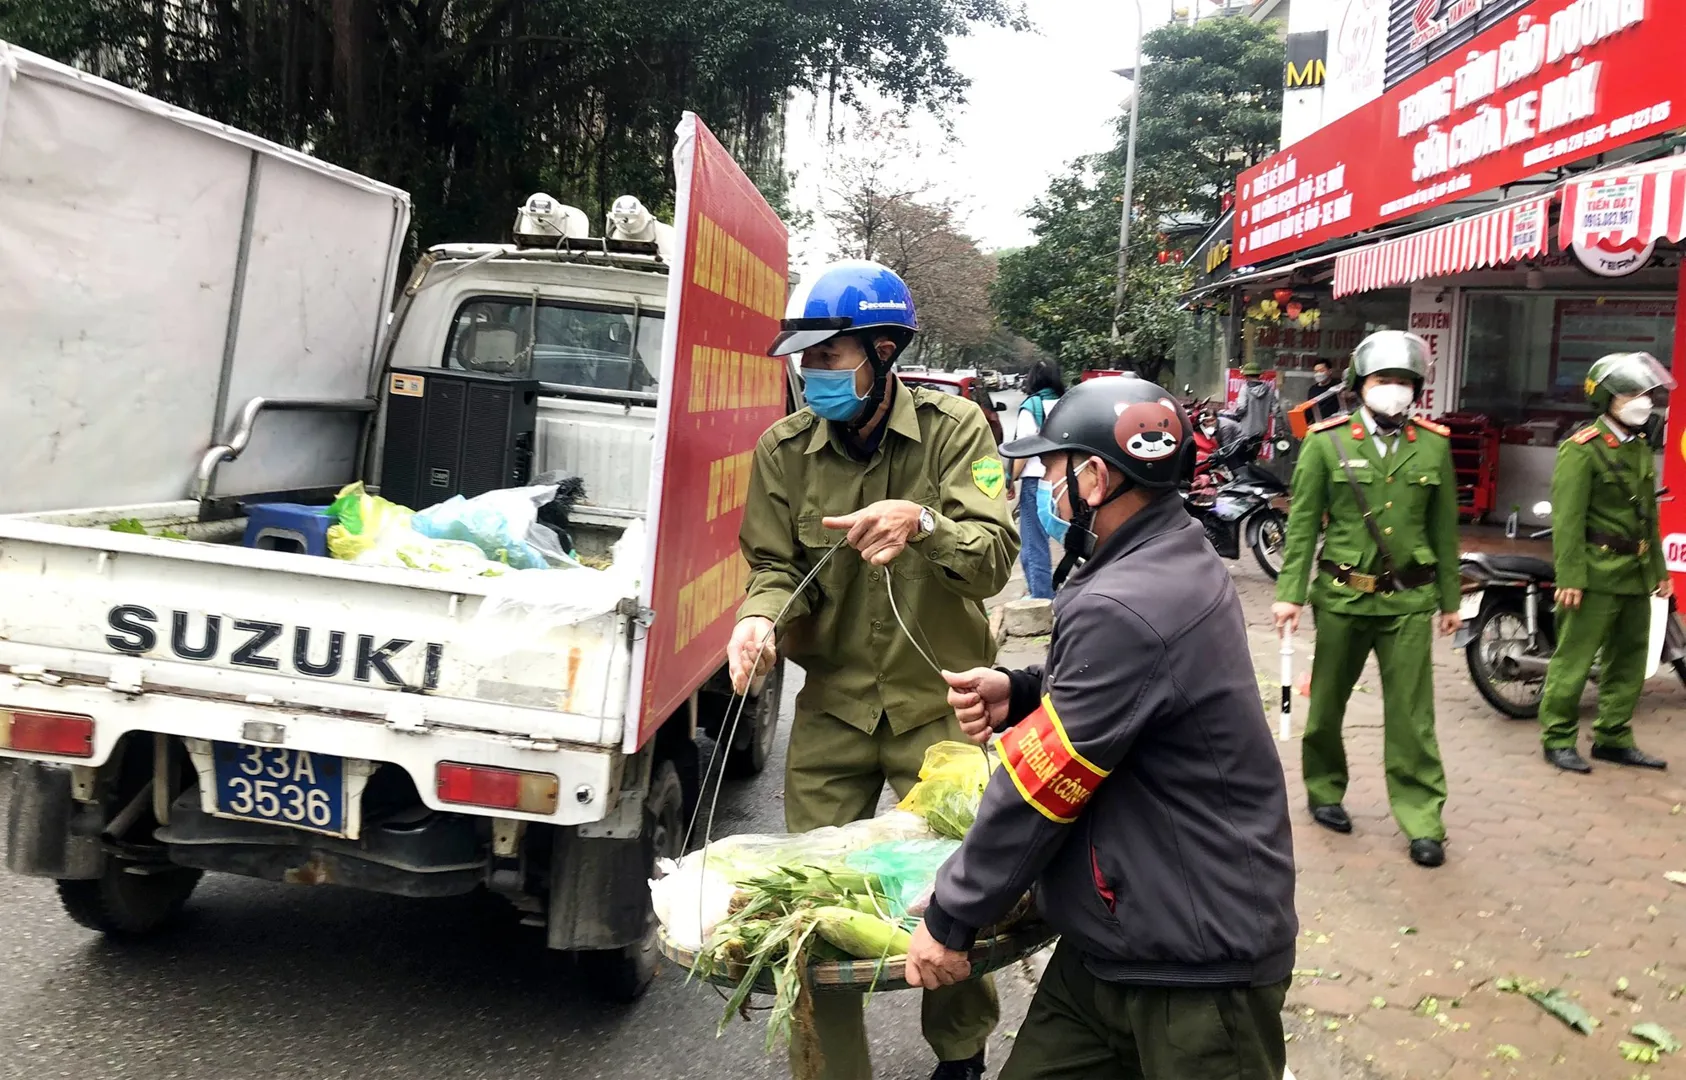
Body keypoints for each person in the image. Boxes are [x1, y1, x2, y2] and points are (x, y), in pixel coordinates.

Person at [903, 376, 1298, 1080]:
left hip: (1198, 963)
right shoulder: (1163, 555)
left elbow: (1041, 788)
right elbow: (1125, 696)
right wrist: (1023, 692)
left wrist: (952, 916)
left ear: (1094, 477)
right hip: (1115, 937)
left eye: (1052, 471)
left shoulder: (1130, 599)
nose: (1045, 490)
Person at [728, 259, 1017, 1080]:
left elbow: (995, 559)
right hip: (835, 709)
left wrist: (923, 520)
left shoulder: (957, 427)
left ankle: (959, 1057)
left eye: (829, 357)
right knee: (811, 908)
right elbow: (775, 567)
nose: (811, 374)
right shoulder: (783, 451)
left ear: (883, 349)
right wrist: (758, 621)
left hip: (946, 709)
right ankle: (831, 1073)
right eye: (804, 359)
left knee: (959, 891)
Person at [1272, 331, 1460, 869]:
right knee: (1328, 704)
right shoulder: (1326, 442)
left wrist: (1450, 600)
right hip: (1342, 598)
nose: (1394, 390)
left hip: (1408, 602)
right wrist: (1289, 596)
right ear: (1360, 385)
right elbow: (1303, 525)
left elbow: (1445, 530)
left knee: (1412, 716)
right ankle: (1325, 789)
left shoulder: (1434, 444)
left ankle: (1423, 817)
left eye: (1403, 381)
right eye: (1383, 380)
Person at [1538, 352, 1675, 774]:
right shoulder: (1582, 449)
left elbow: (1647, 517)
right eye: (1633, 393)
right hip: (1594, 573)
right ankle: (1558, 737)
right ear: (1607, 398)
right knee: (1574, 659)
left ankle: (1613, 736)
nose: (1644, 400)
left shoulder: (1638, 445)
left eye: (1646, 393)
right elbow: (1568, 520)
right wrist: (1571, 577)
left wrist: (1658, 572)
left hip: (1634, 574)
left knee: (1630, 658)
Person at [1008, 360, 1065, 599]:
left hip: (1035, 481)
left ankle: (1042, 597)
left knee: (1033, 542)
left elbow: (1024, 448)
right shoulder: (1066, 403)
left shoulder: (1032, 405)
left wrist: (1010, 479)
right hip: (1064, 480)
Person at [1222, 360, 1278, 440]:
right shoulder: (1269, 390)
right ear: (1259, 375)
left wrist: (1234, 417)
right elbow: (1277, 411)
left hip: (1245, 432)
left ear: (1246, 375)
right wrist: (1280, 429)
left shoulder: (1245, 389)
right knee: (1255, 451)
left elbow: (1242, 408)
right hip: (1261, 431)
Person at [1303, 360, 1343, 425]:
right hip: (1319, 424)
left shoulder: (1338, 385)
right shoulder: (1313, 389)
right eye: (1316, 372)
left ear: (1330, 371)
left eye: (1321, 371)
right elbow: (1309, 411)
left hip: (1336, 422)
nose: (1318, 374)